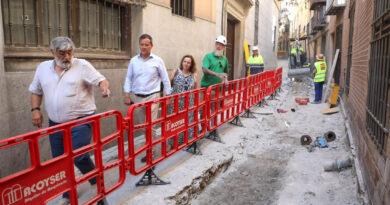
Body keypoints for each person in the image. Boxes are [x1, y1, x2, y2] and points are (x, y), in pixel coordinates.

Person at [29, 36, 111, 204]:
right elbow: (36, 91)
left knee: (79, 157)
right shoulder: (43, 68)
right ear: (52, 52)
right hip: (56, 123)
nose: (67, 57)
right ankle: (68, 194)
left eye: (70, 52)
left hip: (81, 120)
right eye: (62, 53)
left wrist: (104, 88)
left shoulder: (82, 65)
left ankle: (98, 185)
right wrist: (35, 110)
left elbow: (101, 79)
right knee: (60, 161)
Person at [123, 34, 171, 161]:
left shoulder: (157, 60)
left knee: (151, 126)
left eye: (146, 44)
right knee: (143, 127)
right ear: (139, 45)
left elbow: (165, 79)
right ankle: (150, 148)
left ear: (151, 46)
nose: (144, 47)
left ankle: (152, 153)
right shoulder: (134, 61)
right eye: (142, 44)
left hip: (153, 96)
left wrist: (168, 96)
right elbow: (128, 78)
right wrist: (126, 94)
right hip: (138, 97)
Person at [200, 35, 229, 142]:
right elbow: (204, 69)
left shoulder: (225, 59)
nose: (219, 46)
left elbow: (225, 73)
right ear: (215, 44)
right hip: (206, 88)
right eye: (217, 44)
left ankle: (212, 130)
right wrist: (217, 75)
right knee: (203, 109)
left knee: (214, 110)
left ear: (224, 47)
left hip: (218, 90)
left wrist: (225, 80)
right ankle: (202, 129)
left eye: (221, 45)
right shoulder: (208, 56)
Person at [167, 55, 198, 147]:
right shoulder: (176, 71)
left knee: (186, 122)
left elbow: (195, 90)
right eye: (185, 61)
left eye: (188, 62)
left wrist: (195, 104)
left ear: (191, 64)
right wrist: (167, 98)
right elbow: (168, 85)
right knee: (174, 123)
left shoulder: (194, 75)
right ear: (182, 62)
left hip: (188, 103)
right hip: (175, 104)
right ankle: (171, 144)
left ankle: (184, 143)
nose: (186, 64)